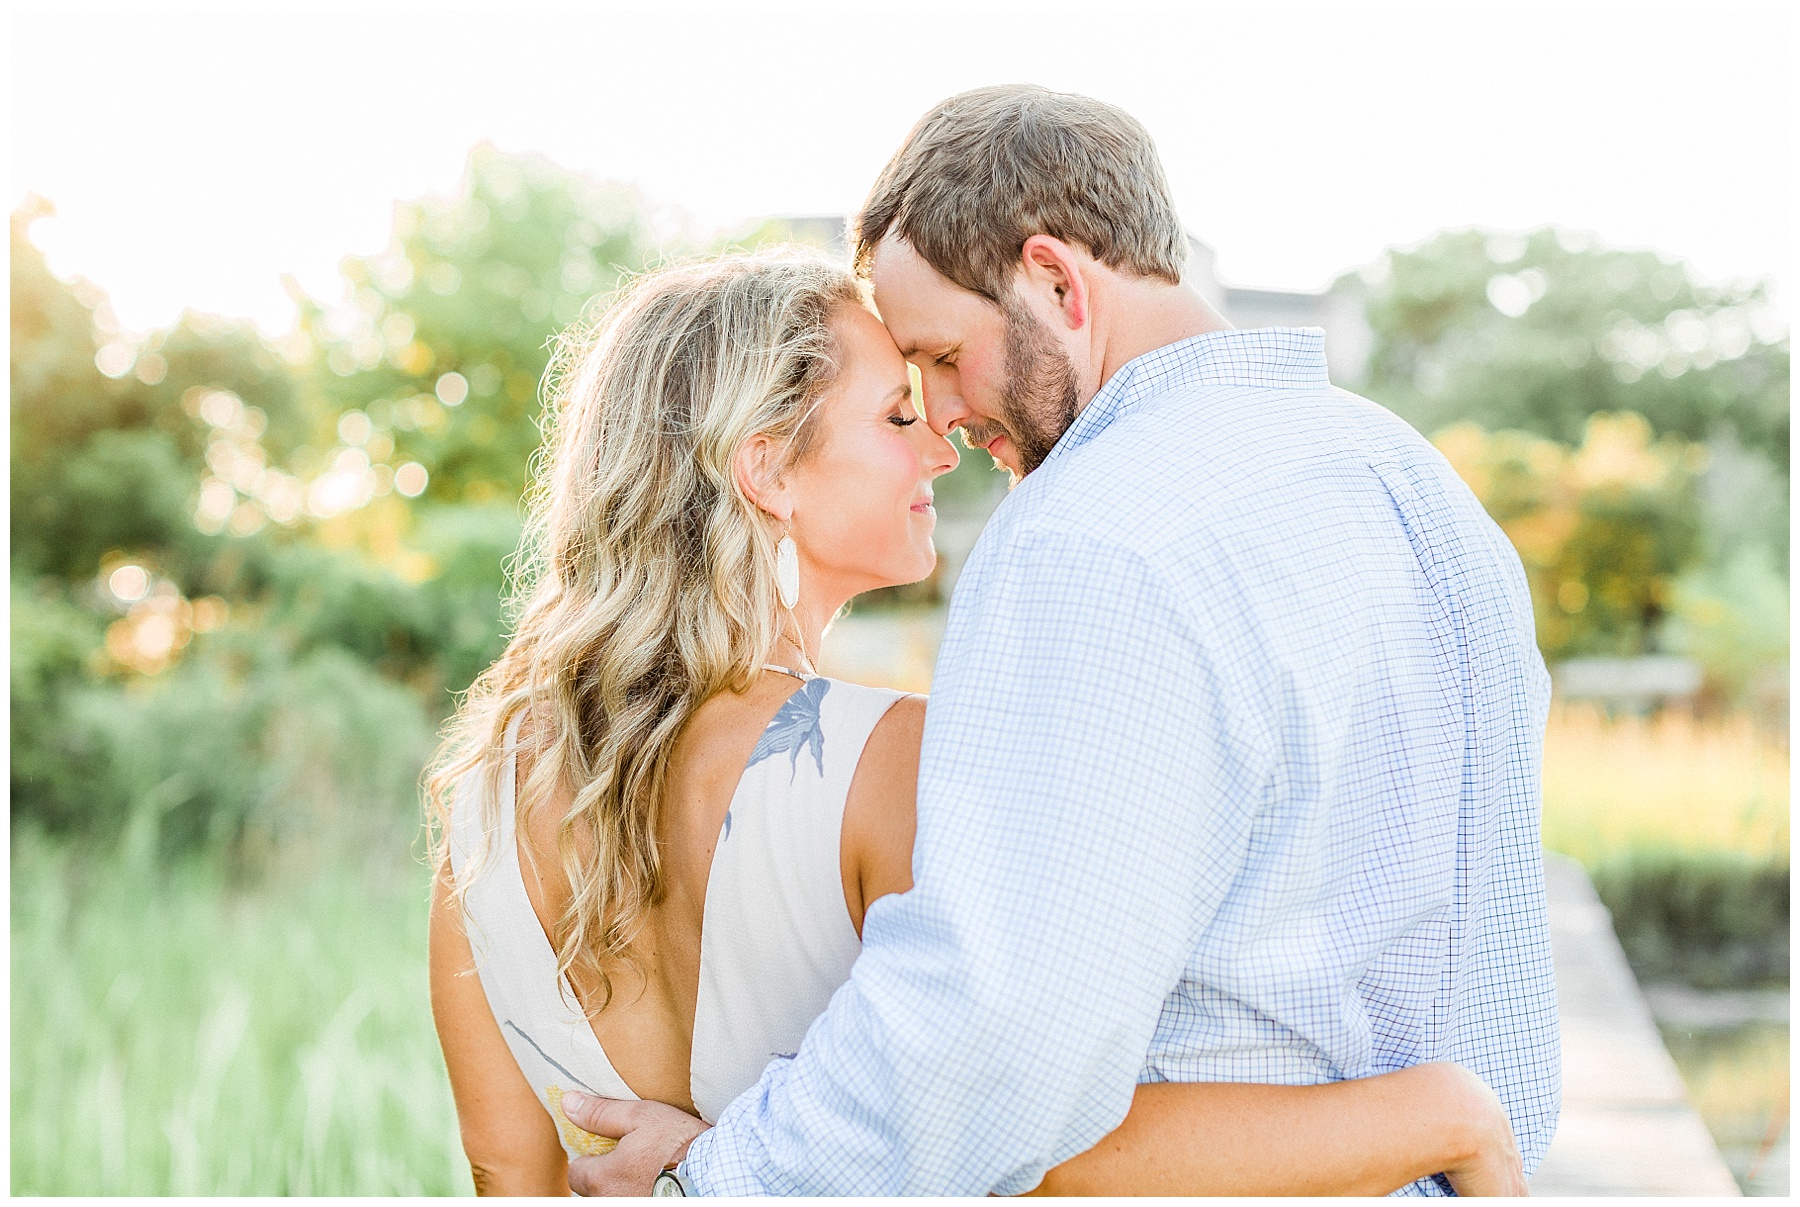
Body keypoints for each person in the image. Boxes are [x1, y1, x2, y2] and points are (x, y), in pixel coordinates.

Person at [562, 86, 1561, 1196]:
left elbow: (1002, 1026)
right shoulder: (1423, 492)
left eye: (941, 356)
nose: (940, 415)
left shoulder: (1092, 531)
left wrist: (723, 1175)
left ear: (1054, 281)